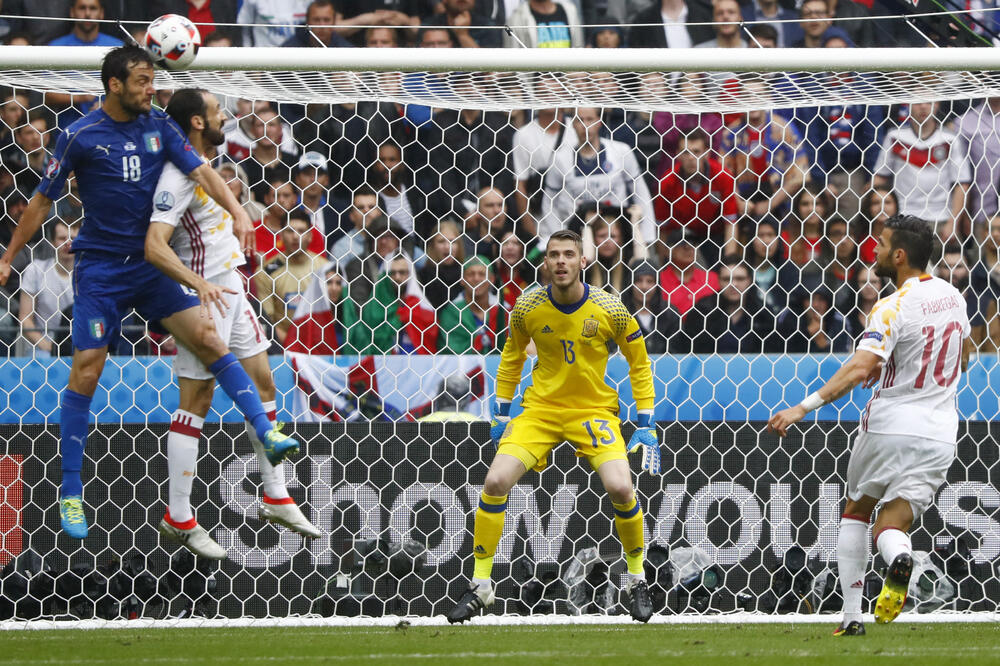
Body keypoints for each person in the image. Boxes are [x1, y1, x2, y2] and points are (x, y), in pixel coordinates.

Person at [0, 45, 299, 539]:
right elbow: (40, 199)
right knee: (88, 368)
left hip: (152, 265)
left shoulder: (159, 124)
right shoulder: (79, 135)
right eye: (141, 81)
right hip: (100, 270)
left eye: (152, 80)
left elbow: (203, 171)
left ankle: (266, 432)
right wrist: (10, 255)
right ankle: (70, 491)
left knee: (208, 337)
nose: (150, 89)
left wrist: (239, 211)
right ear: (115, 84)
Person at [768, 215, 972, 637]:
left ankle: (852, 617)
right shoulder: (954, 296)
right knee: (893, 524)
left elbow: (860, 366)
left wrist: (801, 409)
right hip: (940, 433)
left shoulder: (891, 305)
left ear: (899, 256)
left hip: (890, 425)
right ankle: (900, 557)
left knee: (857, 512)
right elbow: (964, 355)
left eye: (880, 245)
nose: (874, 251)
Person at [446, 229, 659, 624]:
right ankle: (481, 587)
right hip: (540, 411)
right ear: (545, 263)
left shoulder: (611, 309)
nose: (560, 261)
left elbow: (639, 362)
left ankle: (636, 579)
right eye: (553, 255)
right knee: (494, 483)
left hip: (593, 411)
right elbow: (510, 357)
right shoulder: (526, 308)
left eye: (568, 254)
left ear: (583, 262)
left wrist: (645, 422)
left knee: (622, 487)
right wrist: (502, 413)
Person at [146, 88, 322, 559]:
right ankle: (178, 514)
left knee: (265, 382)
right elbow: (156, 243)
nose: (226, 116)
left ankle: (276, 495)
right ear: (198, 123)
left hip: (234, 290)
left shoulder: (207, 163)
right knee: (197, 399)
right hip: (200, 298)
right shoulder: (175, 179)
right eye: (217, 112)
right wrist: (191, 286)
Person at [873, 101, 971, 242]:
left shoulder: (950, 139)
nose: (923, 106)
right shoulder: (895, 136)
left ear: (937, 105)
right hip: (903, 218)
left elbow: (962, 185)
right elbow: (879, 178)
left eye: (928, 102)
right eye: (918, 102)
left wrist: (953, 223)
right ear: (908, 105)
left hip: (940, 219)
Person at [256, 209, 328, 346]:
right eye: (289, 231)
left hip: (321, 343)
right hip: (282, 346)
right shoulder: (266, 272)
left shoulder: (324, 269)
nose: (295, 236)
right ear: (281, 236)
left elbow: (332, 315)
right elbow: (266, 322)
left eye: (301, 231)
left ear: (310, 236)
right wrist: (294, 346)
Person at [18, 220, 76, 356]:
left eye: (73, 239)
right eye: (62, 238)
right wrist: (49, 347)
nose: (68, 243)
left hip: (82, 344)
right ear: (51, 242)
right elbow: (25, 319)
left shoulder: (91, 274)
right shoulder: (36, 270)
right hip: (43, 345)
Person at [437, 256, 507, 354]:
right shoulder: (451, 313)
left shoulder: (504, 311)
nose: (476, 278)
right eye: (471, 274)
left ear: (492, 279)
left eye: (482, 274)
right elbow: (448, 352)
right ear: (462, 280)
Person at [504, 0, 583, 48]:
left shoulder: (570, 11)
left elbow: (579, 48)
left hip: (568, 74)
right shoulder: (516, 19)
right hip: (535, 75)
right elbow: (513, 64)